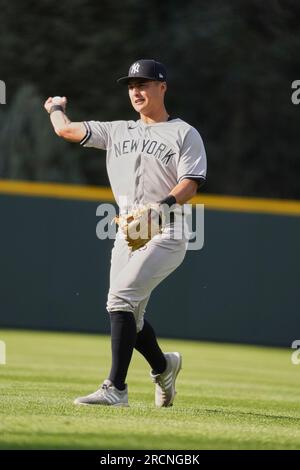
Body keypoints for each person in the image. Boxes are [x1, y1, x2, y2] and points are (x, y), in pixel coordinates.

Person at [44, 59, 207, 407]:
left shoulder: (184, 133)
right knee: (127, 312)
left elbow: (191, 183)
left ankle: (116, 388)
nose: (136, 90)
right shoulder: (117, 130)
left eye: (144, 84)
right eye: (131, 85)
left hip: (167, 229)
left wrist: (160, 207)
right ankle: (164, 367)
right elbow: (66, 130)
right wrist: (56, 109)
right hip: (128, 232)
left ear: (162, 87)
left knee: (120, 299)